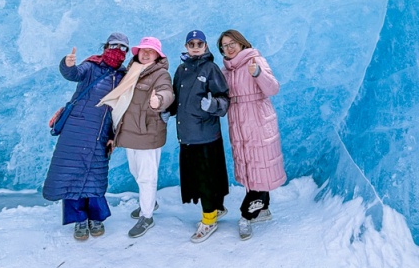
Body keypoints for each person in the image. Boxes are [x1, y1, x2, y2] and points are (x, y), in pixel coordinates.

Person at [42, 32, 129, 241]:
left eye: (123, 48)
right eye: (115, 45)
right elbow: (73, 74)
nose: (118, 50)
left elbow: (123, 108)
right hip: (77, 129)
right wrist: (67, 64)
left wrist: (115, 135)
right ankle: (79, 220)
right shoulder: (92, 66)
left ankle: (96, 218)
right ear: (106, 45)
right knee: (72, 174)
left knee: (95, 177)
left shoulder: (124, 76)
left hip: (101, 131)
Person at [218, 29, 286, 241]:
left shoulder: (255, 60)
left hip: (257, 118)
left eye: (232, 43)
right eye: (224, 45)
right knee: (250, 165)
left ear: (241, 43)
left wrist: (258, 73)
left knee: (259, 163)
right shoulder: (226, 69)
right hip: (238, 119)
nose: (229, 48)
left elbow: (273, 88)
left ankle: (246, 215)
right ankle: (263, 209)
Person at [104, 37, 174, 238]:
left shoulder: (160, 74)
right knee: (136, 171)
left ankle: (147, 215)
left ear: (157, 55)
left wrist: (159, 101)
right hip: (129, 132)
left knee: (146, 177)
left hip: (147, 132)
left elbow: (167, 92)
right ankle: (149, 201)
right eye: (142, 50)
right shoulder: (131, 72)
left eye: (150, 51)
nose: (145, 54)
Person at [168, 29, 230, 243]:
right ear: (186, 47)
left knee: (207, 179)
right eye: (191, 44)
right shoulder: (181, 69)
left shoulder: (211, 68)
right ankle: (216, 209)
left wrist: (213, 105)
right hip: (187, 135)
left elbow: (224, 100)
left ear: (206, 46)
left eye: (199, 44)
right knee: (200, 178)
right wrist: (169, 109)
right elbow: (178, 99)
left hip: (206, 134)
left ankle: (209, 219)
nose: (195, 47)